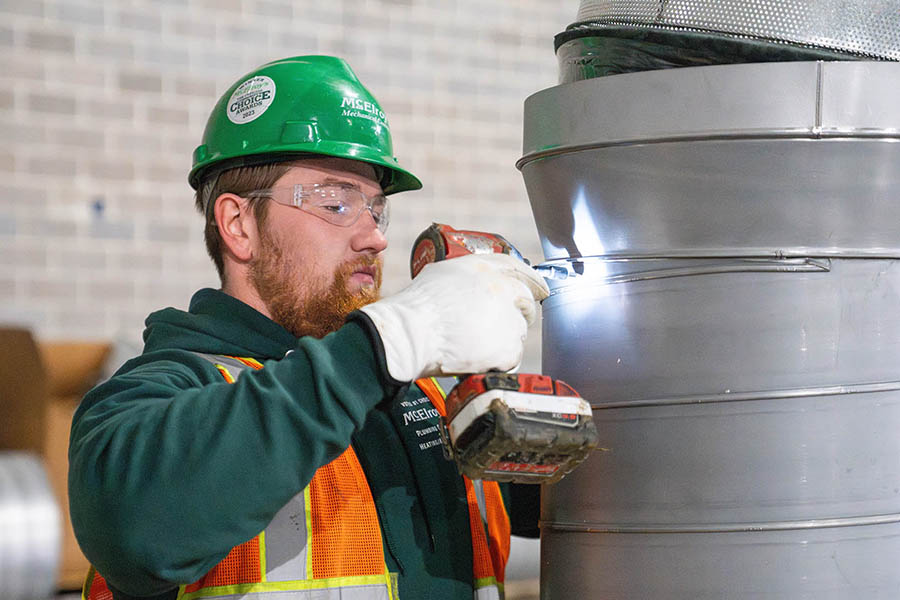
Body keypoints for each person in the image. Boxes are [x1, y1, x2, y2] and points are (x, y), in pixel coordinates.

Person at [68, 55, 549, 600]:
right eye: (337, 201)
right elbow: (136, 528)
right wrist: (385, 343)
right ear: (239, 225)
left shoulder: (427, 401)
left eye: (376, 208)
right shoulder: (158, 393)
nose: (375, 237)